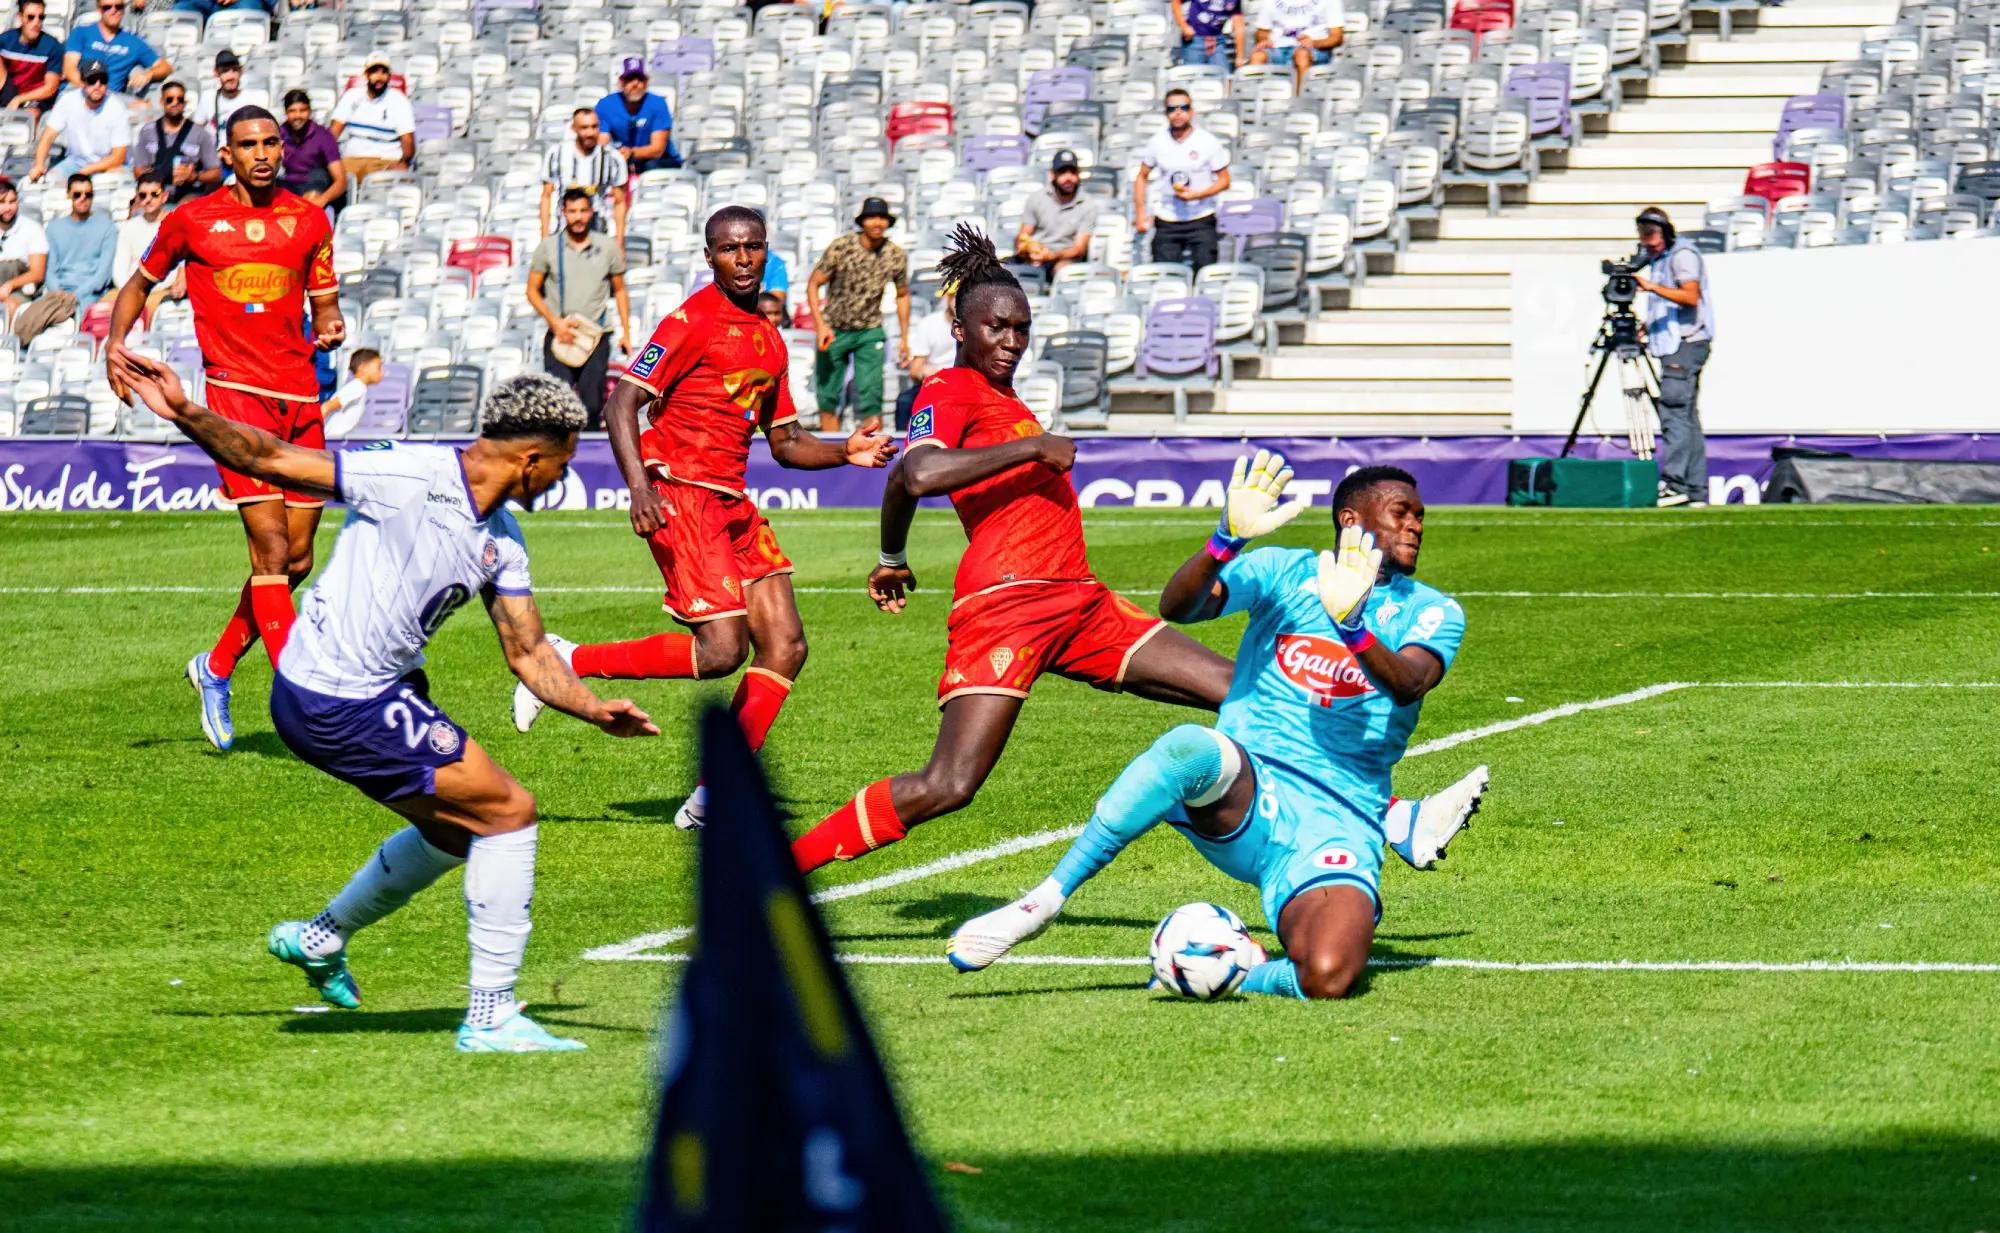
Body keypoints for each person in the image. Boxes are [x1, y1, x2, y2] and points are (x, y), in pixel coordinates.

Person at [109, 352, 658, 1052]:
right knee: (509, 811)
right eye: (562, 462)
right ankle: (489, 1016)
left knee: (461, 831)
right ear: (529, 459)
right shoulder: (408, 471)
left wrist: (590, 707)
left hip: (377, 691)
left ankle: (319, 939)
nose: (563, 475)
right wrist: (186, 411)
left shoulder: (504, 543)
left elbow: (527, 652)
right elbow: (275, 457)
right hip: (335, 694)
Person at [947, 462, 1475, 1002]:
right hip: (1251, 789)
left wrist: (1353, 627)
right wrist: (1224, 541)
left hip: (1340, 822)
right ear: (1350, 520)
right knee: (1190, 746)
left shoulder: (1433, 609)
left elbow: (1410, 683)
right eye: (1401, 513)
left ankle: (1232, 969)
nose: (1416, 525)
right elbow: (1180, 607)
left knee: (1329, 975)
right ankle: (1042, 902)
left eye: (1420, 516)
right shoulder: (1285, 571)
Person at [516, 206, 897, 834]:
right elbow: (620, 404)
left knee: (787, 646)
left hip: (730, 499)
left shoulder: (770, 339)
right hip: (680, 493)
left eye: (752, 248)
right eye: (729, 249)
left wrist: (845, 451)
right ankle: (569, 661)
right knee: (722, 650)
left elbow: (787, 442)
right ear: (710, 255)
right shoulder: (692, 321)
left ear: (766, 252)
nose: (742, 259)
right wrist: (639, 489)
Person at [105, 105, 345, 753]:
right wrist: (115, 342)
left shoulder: (310, 218)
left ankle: (214, 667)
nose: (264, 152)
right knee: (269, 553)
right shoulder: (193, 220)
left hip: (301, 401)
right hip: (235, 401)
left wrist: (329, 323)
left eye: (271, 142)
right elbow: (138, 282)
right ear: (229, 156)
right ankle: (311, 698)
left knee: (297, 559)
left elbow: (324, 297)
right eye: (249, 144)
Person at [525, 187, 632, 430]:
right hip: (560, 333)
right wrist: (555, 323)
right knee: (557, 404)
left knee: (592, 405)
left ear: (591, 212)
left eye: (583, 210)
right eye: (572, 211)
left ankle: (589, 459)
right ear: (563, 213)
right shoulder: (549, 248)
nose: (578, 217)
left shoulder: (606, 247)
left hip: (596, 335)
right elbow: (532, 290)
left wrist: (626, 333)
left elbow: (620, 290)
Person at [1632, 206, 1715, 508]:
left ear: (1664, 231)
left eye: (1651, 234)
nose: (1647, 241)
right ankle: (1694, 490)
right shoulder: (1661, 258)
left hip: (1685, 344)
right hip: (1676, 343)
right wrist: (1649, 325)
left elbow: (1690, 296)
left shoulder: (1681, 255)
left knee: (1674, 413)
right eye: (1643, 234)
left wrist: (1651, 287)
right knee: (1687, 417)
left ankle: (1675, 482)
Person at [806, 196, 909, 428]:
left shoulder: (895, 254)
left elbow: (902, 294)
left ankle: (876, 454)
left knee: (872, 394)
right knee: (828, 394)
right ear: (862, 221)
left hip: (869, 330)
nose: (877, 222)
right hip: (834, 327)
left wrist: (904, 338)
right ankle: (829, 452)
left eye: (882, 217)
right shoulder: (841, 247)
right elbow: (814, 283)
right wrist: (820, 324)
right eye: (872, 216)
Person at [1134, 89, 1231, 272]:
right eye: (1172, 109)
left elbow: (1225, 180)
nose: (1178, 113)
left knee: (1205, 273)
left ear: (1192, 111)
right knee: (1165, 275)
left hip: (1200, 217)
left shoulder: (1207, 141)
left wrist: (1197, 195)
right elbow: (1141, 176)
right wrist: (1140, 212)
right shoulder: (1157, 142)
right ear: (1166, 113)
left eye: (1184, 108)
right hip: (1167, 218)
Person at [13, 172, 111, 342]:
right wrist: (58, 291)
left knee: (82, 325)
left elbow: (103, 273)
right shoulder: (54, 228)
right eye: (77, 194)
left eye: (88, 195)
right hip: (57, 292)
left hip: (90, 293)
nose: (83, 199)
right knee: (34, 320)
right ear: (68, 195)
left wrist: (77, 294)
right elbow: (49, 269)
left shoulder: (106, 226)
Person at [29, 59, 128, 183]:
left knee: (105, 181)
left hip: (108, 165)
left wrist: (85, 172)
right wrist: (39, 164)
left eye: (102, 81)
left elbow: (118, 157)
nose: (97, 86)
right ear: (82, 83)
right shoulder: (68, 100)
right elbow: (48, 136)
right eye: (92, 81)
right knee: (51, 180)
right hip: (75, 162)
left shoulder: (116, 107)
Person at [539, 106, 626, 241]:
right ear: (574, 128)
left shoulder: (612, 158)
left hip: (598, 230)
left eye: (594, 127)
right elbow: (546, 196)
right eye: (584, 128)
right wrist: (544, 237)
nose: (590, 133)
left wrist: (619, 242)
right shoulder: (556, 154)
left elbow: (619, 201)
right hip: (563, 230)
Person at [132, 80, 221, 203]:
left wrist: (195, 176)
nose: (175, 103)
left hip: (187, 192)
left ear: (184, 103)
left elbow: (216, 172)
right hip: (156, 193)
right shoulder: (147, 131)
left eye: (179, 99)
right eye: (170, 99)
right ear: (162, 102)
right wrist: (153, 181)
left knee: (185, 207)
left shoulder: (200, 133)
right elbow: (138, 170)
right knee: (135, 206)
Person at [329, 58, 414, 187]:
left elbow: (408, 141)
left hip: (385, 160)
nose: (379, 77)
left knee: (401, 175)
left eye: (384, 72)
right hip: (352, 158)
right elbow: (332, 134)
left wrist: (403, 162)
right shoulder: (351, 96)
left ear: (389, 76)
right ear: (367, 74)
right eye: (375, 72)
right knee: (321, 175)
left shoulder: (399, 101)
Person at [1014, 148, 1098, 275]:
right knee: (997, 269)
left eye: (1072, 172)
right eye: (1062, 172)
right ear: (1052, 174)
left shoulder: (1087, 204)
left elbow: (1079, 249)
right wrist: (1026, 249)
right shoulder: (1036, 198)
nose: (1068, 177)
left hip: (1063, 258)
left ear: (1078, 174)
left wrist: (1052, 256)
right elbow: (1024, 234)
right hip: (1035, 254)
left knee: (1063, 270)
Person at [61, 0, 167, 97]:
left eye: (118, 7)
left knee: (143, 107)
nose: (113, 11)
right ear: (99, 9)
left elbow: (165, 67)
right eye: (107, 7)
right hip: (78, 91)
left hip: (111, 99)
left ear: (124, 9)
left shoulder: (133, 42)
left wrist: (148, 74)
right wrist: (88, 88)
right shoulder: (81, 33)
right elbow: (69, 67)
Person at [594, 58, 676, 176]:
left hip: (660, 160)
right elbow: (602, 144)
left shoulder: (658, 104)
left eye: (640, 79)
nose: (635, 83)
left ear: (646, 83)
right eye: (630, 79)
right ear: (621, 82)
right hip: (622, 158)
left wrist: (631, 153)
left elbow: (658, 150)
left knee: (651, 166)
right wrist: (620, 158)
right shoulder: (606, 105)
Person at [894, 285, 955, 431]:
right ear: (946, 297)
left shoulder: (978, 325)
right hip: (934, 383)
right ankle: (903, 448)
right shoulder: (929, 324)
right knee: (905, 401)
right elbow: (915, 371)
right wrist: (925, 372)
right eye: (954, 295)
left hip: (965, 384)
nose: (959, 301)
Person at [1250, 0, 1345, 91]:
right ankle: (1252, 104)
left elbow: (1337, 38)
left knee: (1301, 55)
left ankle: (1300, 102)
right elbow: (1262, 31)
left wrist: (1314, 43)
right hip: (1278, 48)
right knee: (1257, 57)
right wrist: (1265, 40)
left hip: (1314, 48)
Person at [277, 89, 344, 210]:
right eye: (292, 111)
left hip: (316, 183)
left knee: (318, 175)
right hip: (291, 184)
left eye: (302, 110)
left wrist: (322, 200)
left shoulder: (323, 136)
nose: (298, 115)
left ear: (309, 111)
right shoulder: (280, 134)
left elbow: (341, 181)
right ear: (286, 113)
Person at [0, 0, 63, 115]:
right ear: (20, 17)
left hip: (35, 98)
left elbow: (51, 88)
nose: (36, 22)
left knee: (30, 114)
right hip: (8, 93)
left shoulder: (53, 46)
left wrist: (19, 99)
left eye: (41, 17)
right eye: (31, 17)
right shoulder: (5, 41)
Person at [0, 176, 49, 322]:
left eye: (12, 202)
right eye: (2, 202)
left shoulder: (32, 229)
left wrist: (10, 285)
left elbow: (37, 273)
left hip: (19, 288)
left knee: (9, 307)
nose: (8, 208)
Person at [112, 169, 165, 286]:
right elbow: (119, 269)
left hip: (163, 290)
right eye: (143, 195)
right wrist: (130, 292)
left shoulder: (174, 226)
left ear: (164, 196)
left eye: (155, 194)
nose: (148, 199)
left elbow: (175, 271)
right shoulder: (128, 227)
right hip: (130, 290)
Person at [321, 346, 383, 438]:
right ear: (363, 367)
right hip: (332, 441)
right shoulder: (357, 387)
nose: (382, 372)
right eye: (379, 367)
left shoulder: (358, 387)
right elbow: (327, 407)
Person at [1171, 0, 1247, 67]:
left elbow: (1239, 25)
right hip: (1195, 40)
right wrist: (1184, 26)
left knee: (1223, 75)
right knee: (1193, 76)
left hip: (1218, 41)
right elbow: (1175, 2)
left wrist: (1240, 56)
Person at [198, 49, 250, 138]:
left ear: (241, 71)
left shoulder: (252, 100)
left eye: (235, 70)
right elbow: (196, 132)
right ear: (216, 73)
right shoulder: (208, 99)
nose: (230, 76)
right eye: (225, 71)